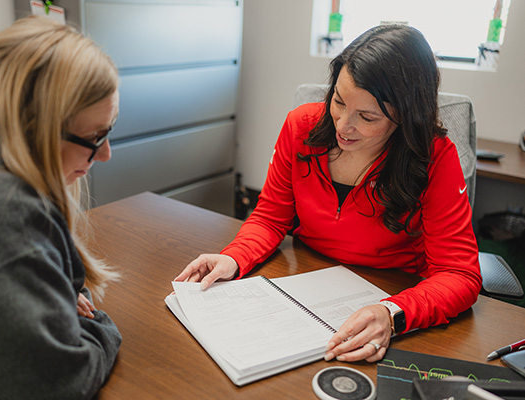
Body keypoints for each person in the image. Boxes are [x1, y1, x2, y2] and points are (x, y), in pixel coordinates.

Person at [174, 24, 482, 363]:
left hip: (390, 293)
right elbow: (269, 217)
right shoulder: (301, 127)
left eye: (367, 117)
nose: (343, 125)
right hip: (302, 283)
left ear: (406, 118)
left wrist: (392, 313)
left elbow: (459, 274)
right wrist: (233, 257)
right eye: (338, 101)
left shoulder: (435, 156)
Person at [0, 16, 122, 399]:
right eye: (96, 137)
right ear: (39, 127)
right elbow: (55, 384)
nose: (107, 154)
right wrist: (98, 327)